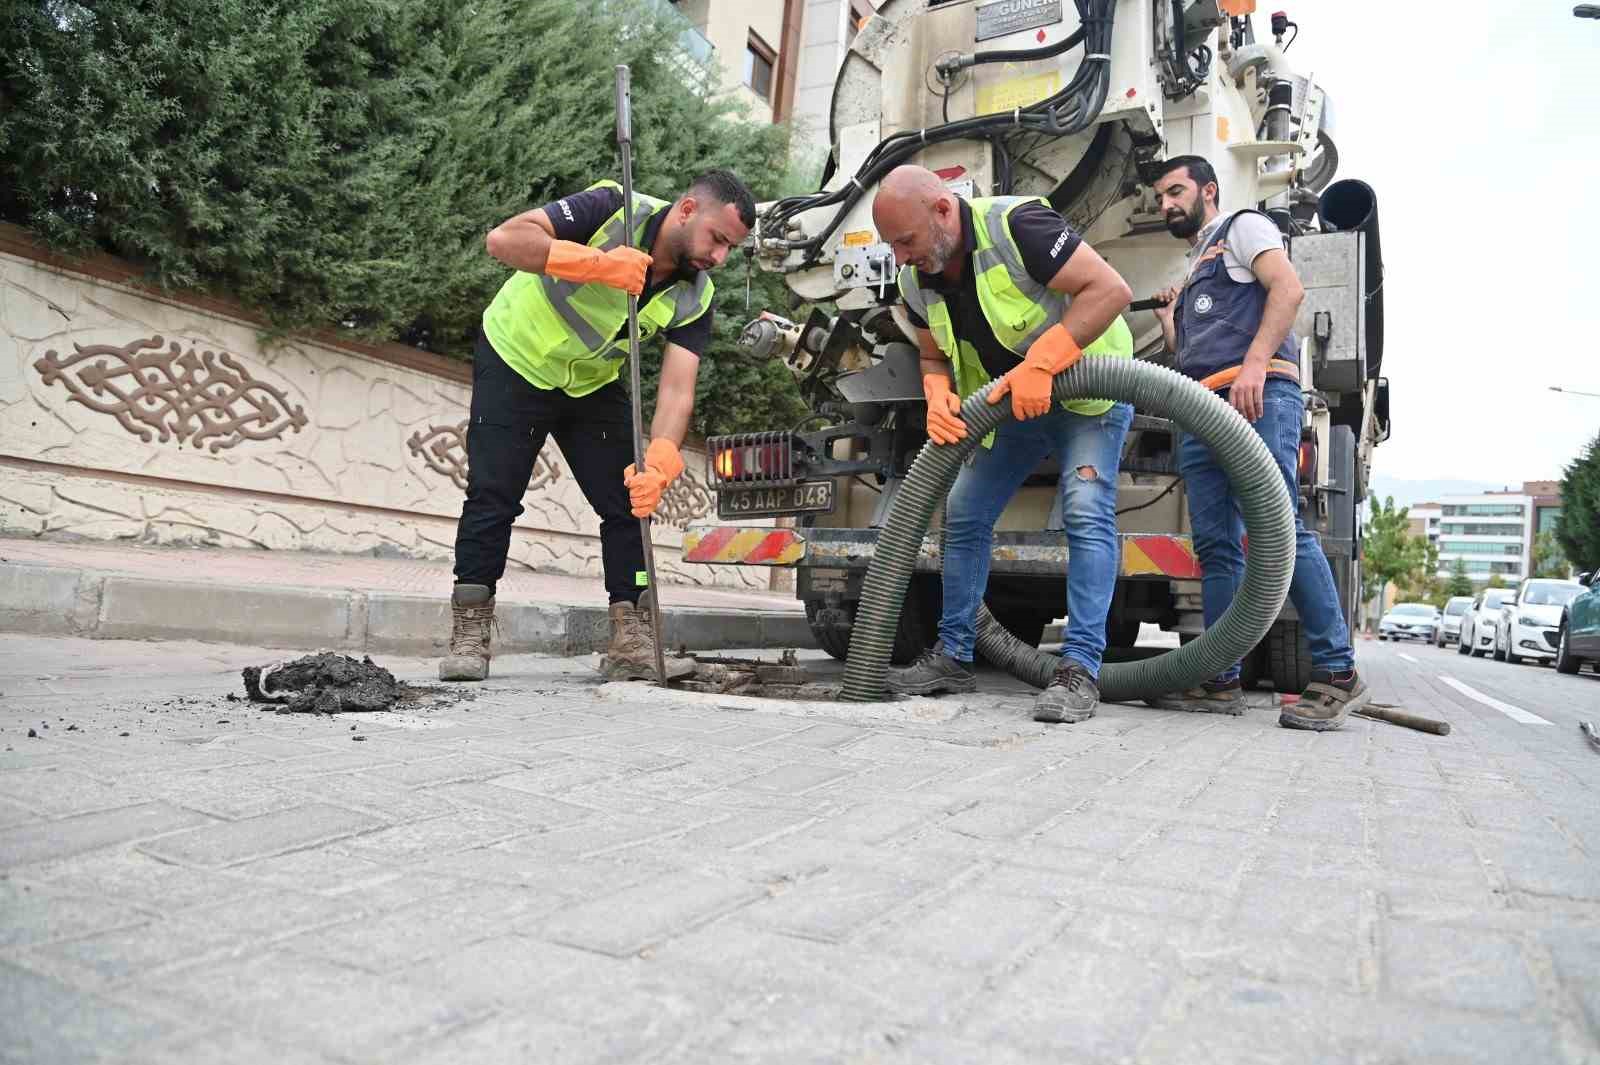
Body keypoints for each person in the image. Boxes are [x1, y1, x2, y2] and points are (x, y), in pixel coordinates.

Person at [440, 170, 755, 683]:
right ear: (688, 209)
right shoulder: (614, 208)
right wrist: (599, 265)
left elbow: (678, 389)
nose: (719, 256)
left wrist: (661, 461)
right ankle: (470, 632)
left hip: (588, 381)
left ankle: (631, 640)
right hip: (516, 355)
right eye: (717, 239)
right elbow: (505, 239)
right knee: (493, 494)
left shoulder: (697, 294)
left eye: (730, 249)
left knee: (629, 501)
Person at [873, 165, 1135, 723]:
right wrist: (937, 391)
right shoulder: (916, 278)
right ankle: (954, 655)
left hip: (1088, 394)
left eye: (906, 241)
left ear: (943, 210)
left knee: (1085, 514)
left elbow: (1110, 290)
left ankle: (1079, 669)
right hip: (1013, 406)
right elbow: (930, 352)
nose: (900, 256)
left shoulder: (1020, 227)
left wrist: (1044, 360)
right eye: (892, 245)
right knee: (964, 511)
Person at [1148, 154, 1366, 729]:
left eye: (1175, 192)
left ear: (1208, 191)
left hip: (1256, 397)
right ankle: (1221, 677)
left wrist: (1254, 366)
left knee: (1281, 529)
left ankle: (1338, 671)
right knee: (1217, 547)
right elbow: (1192, 354)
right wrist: (1174, 328)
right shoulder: (1197, 262)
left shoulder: (1246, 227)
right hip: (1204, 407)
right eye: (1160, 198)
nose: (1166, 205)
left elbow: (1288, 292)